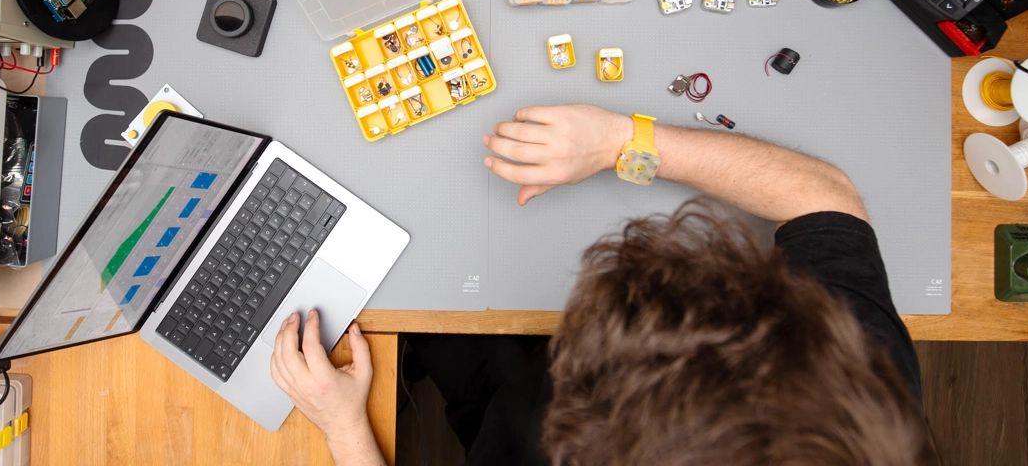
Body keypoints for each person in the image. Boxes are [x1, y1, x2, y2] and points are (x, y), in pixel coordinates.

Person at [270, 105, 934, 466]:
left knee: (466, 363)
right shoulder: (848, 382)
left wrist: (341, 427)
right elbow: (825, 199)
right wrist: (622, 141)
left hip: (505, 427)